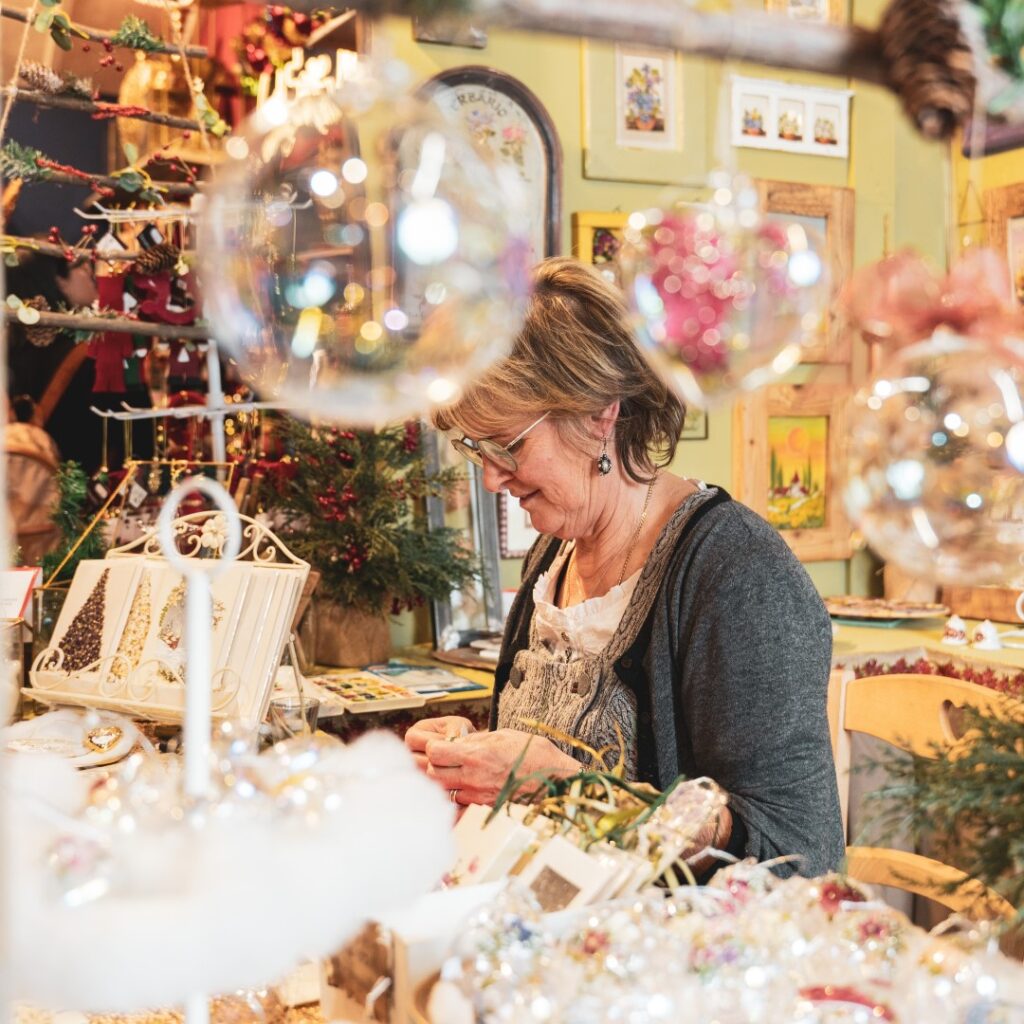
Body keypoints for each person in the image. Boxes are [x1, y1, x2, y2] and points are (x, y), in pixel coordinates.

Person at [405, 256, 844, 876]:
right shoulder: (553, 555)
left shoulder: (737, 573)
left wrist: (567, 792)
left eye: (508, 444)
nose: (491, 476)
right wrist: (473, 756)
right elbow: (549, 756)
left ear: (599, 413)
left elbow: (798, 860)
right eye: (474, 447)